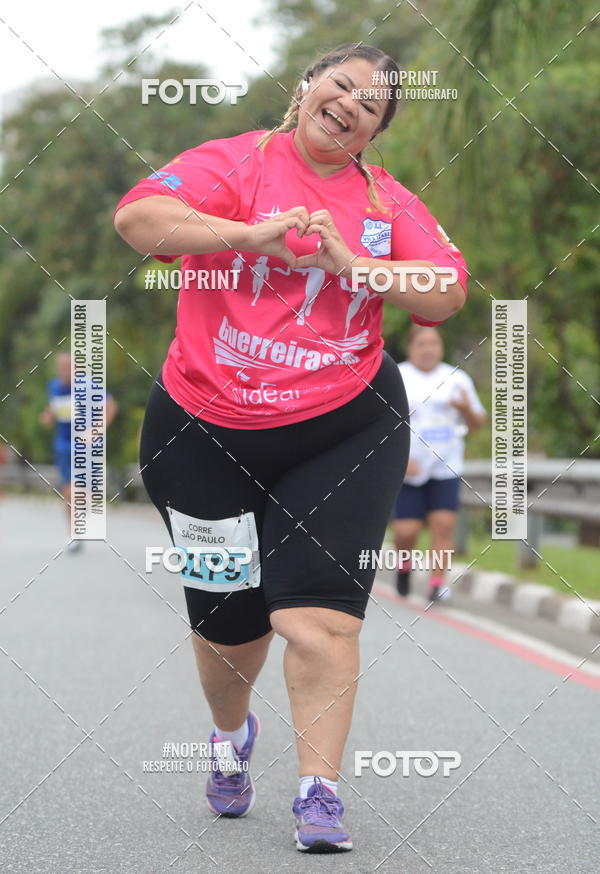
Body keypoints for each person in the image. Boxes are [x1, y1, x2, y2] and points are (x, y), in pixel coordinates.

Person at [113, 42, 468, 854]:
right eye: (340, 85)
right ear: (308, 87)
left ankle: (319, 790)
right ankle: (231, 735)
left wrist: (359, 264)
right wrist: (251, 236)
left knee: (315, 619)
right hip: (202, 427)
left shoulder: (385, 202)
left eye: (370, 105)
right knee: (230, 624)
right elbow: (138, 219)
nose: (349, 105)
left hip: (340, 426)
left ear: (374, 132)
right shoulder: (236, 162)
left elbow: (445, 291)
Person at [393, 325, 486, 602]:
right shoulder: (398, 376)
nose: (428, 349)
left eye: (433, 343)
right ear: (410, 347)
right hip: (409, 467)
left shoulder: (456, 379)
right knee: (406, 531)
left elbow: (477, 423)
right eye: (421, 343)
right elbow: (382, 423)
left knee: (443, 524)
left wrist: (464, 408)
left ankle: (436, 584)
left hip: (446, 465)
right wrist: (400, 458)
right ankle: (404, 566)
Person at [41, 352, 118, 549]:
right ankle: (74, 534)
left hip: (87, 447)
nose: (63, 371)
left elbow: (110, 406)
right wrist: (48, 416)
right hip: (63, 445)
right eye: (60, 367)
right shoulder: (54, 386)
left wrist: (96, 430)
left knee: (77, 491)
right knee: (68, 492)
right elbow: (55, 408)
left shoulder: (89, 385)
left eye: (67, 367)